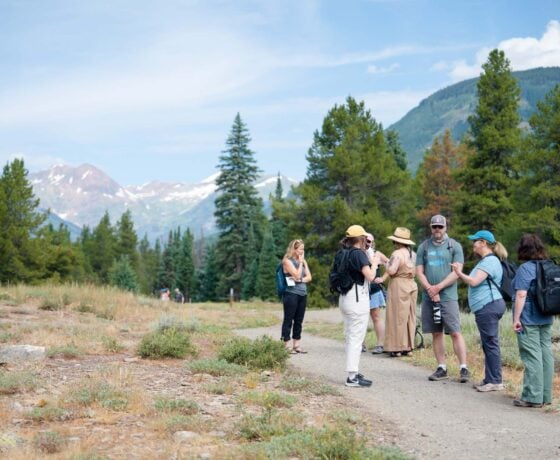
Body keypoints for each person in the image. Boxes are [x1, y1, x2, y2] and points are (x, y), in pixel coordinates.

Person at [416, 215, 470, 383]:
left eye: (440, 227)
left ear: (446, 227)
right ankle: (442, 367)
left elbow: (457, 272)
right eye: (435, 227)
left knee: (454, 331)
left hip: (448, 297)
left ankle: (463, 368)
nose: (437, 230)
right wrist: (430, 289)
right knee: (436, 332)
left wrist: (438, 287)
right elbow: (419, 271)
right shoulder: (423, 247)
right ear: (431, 228)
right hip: (429, 297)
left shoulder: (455, 246)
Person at [451, 229, 507, 392]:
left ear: (483, 243)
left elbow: (474, 281)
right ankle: (490, 378)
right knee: (488, 343)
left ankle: (495, 381)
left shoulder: (489, 261)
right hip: (487, 306)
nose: (473, 244)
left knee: (490, 343)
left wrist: (459, 273)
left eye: (475, 241)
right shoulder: (487, 261)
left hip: (488, 306)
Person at [511, 234, 554, 408]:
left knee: (532, 356)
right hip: (546, 315)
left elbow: (521, 294)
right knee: (546, 355)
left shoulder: (526, 268)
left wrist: (516, 318)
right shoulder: (549, 265)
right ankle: (545, 396)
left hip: (528, 317)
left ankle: (532, 397)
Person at [337, 225, 378, 387]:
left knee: (349, 335)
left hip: (344, 297)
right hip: (357, 298)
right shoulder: (359, 255)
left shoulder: (342, 253)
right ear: (360, 239)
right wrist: (374, 263)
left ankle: (353, 371)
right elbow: (370, 276)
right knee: (356, 337)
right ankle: (352, 376)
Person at [375, 227, 418, 357]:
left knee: (396, 315)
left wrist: (385, 263)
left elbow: (392, 270)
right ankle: (408, 347)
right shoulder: (413, 254)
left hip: (399, 285)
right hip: (412, 284)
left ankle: (396, 347)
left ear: (397, 242)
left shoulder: (397, 254)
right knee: (409, 316)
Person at [281, 239, 312, 354]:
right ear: (294, 249)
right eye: (300, 249)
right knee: (288, 319)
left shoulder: (303, 261)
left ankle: (297, 345)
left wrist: (300, 280)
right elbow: (297, 274)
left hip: (302, 294)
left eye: (303, 249)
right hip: (291, 294)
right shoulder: (287, 261)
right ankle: (285, 345)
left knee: (299, 320)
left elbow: (309, 277)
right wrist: (300, 264)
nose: (302, 251)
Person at [363, 233, 389, 354]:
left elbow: (390, 264)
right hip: (360, 291)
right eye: (364, 240)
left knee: (376, 317)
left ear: (372, 243)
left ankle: (380, 344)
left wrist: (383, 278)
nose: (366, 243)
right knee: (361, 318)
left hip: (373, 289)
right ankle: (361, 344)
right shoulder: (358, 253)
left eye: (368, 241)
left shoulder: (376, 254)